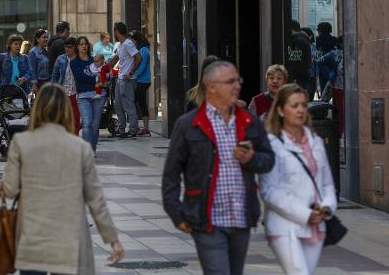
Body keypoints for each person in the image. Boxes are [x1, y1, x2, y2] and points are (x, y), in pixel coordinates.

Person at [162, 61, 275, 275]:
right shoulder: (188, 124)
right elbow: (171, 175)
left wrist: (251, 158)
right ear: (211, 86)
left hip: (241, 217)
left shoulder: (250, 120)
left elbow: (268, 160)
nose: (237, 86)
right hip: (207, 219)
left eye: (237, 81)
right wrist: (176, 213)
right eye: (230, 81)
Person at [2, 83, 124, 274]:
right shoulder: (80, 148)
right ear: (65, 111)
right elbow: (95, 198)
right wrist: (113, 239)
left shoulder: (21, 143)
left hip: (33, 237)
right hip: (69, 239)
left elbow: (9, 189)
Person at [260, 84, 337, 275]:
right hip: (284, 226)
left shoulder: (315, 142)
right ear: (280, 110)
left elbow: (327, 183)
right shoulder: (272, 145)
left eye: (303, 105)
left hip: (315, 225)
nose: (301, 110)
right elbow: (269, 191)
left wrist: (326, 208)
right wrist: (305, 214)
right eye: (294, 106)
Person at [71, 36, 107, 152]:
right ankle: (87, 151)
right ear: (77, 46)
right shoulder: (74, 62)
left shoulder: (94, 59)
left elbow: (105, 71)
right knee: (87, 123)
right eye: (81, 44)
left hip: (99, 95)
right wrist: (97, 79)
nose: (84, 46)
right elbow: (80, 77)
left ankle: (93, 149)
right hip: (83, 96)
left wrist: (102, 78)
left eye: (85, 44)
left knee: (95, 125)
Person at [107, 22, 142, 138]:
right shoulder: (121, 45)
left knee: (129, 106)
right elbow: (116, 59)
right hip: (120, 79)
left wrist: (130, 73)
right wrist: (104, 66)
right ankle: (121, 130)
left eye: (114, 31)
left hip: (128, 80)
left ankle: (133, 130)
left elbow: (138, 58)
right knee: (118, 106)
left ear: (117, 31)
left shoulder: (128, 44)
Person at [51, 37, 81, 134]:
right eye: (65, 47)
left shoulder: (79, 59)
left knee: (76, 119)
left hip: (75, 93)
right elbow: (55, 75)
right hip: (63, 93)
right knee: (63, 118)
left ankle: (75, 138)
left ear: (75, 48)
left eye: (70, 47)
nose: (67, 49)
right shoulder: (60, 59)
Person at [129, 30, 152, 137]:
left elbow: (141, 68)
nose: (132, 43)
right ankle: (145, 128)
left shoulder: (143, 51)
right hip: (143, 80)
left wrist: (131, 75)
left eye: (133, 40)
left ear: (137, 40)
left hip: (142, 81)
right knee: (141, 103)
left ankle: (138, 127)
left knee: (133, 102)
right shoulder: (143, 50)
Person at [286, 20, 312, 90]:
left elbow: (297, 60)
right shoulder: (303, 40)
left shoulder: (298, 41)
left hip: (298, 78)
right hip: (301, 76)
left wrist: (294, 77)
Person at [28, 29, 50, 94]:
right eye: (44, 37)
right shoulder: (33, 52)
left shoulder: (47, 52)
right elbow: (31, 70)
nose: (46, 39)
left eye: (47, 38)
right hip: (39, 84)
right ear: (37, 39)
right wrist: (34, 85)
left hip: (48, 83)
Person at [301, 27, 320, 101]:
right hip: (304, 75)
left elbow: (317, 62)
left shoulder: (313, 47)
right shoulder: (301, 45)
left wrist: (316, 75)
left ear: (310, 36)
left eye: (304, 34)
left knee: (309, 97)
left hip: (311, 77)